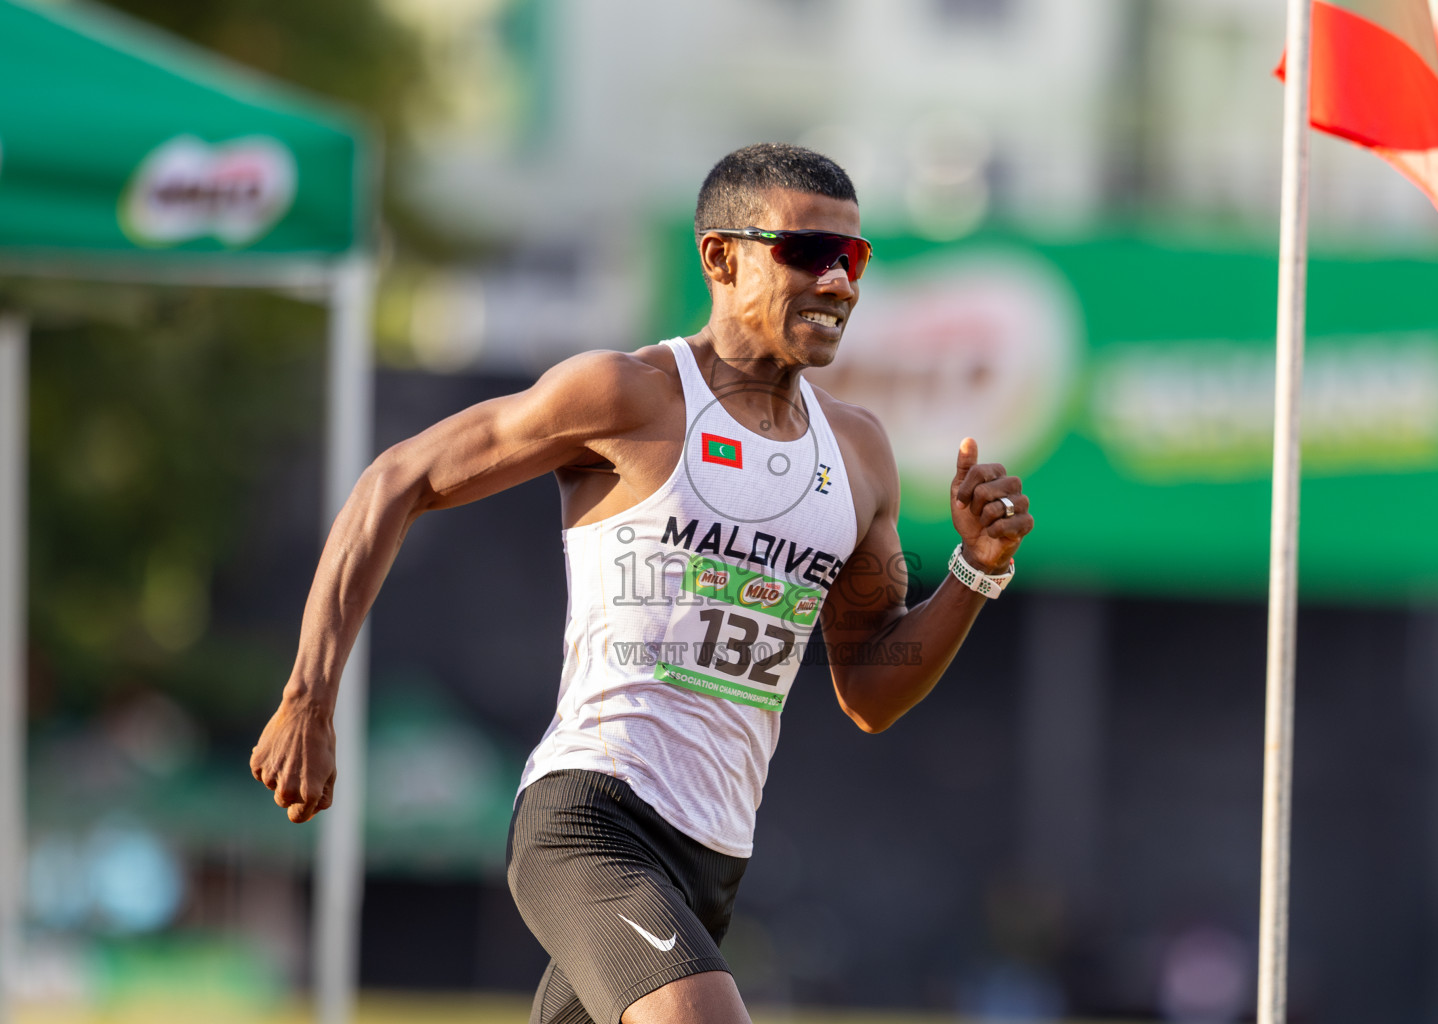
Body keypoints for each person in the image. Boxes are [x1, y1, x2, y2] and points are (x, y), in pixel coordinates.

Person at [250, 143, 1033, 1024]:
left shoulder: (858, 453)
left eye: (853, 258)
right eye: (809, 253)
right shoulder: (630, 396)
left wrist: (976, 570)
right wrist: (308, 696)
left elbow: (871, 693)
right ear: (720, 257)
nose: (839, 283)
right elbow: (397, 478)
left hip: (713, 860)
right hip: (591, 816)